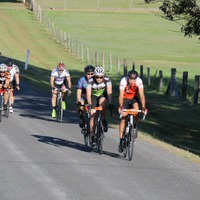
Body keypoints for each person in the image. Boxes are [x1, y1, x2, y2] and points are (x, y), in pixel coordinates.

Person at [118, 69, 146, 153]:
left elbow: (141, 96)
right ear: (128, 78)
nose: (132, 81)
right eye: (130, 79)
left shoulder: (139, 81)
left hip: (134, 99)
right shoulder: (123, 81)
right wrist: (121, 106)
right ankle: (120, 140)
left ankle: (134, 126)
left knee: (136, 110)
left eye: (134, 79)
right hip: (125, 99)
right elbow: (120, 96)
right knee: (123, 116)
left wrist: (144, 107)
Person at [86, 66, 113, 145]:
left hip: (102, 96)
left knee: (103, 104)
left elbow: (109, 92)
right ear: (94, 76)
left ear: (103, 76)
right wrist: (90, 104)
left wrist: (110, 103)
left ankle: (103, 119)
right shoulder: (90, 81)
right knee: (93, 115)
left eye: (101, 77)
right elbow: (88, 94)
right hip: (93, 97)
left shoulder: (107, 80)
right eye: (97, 77)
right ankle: (92, 135)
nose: (99, 79)